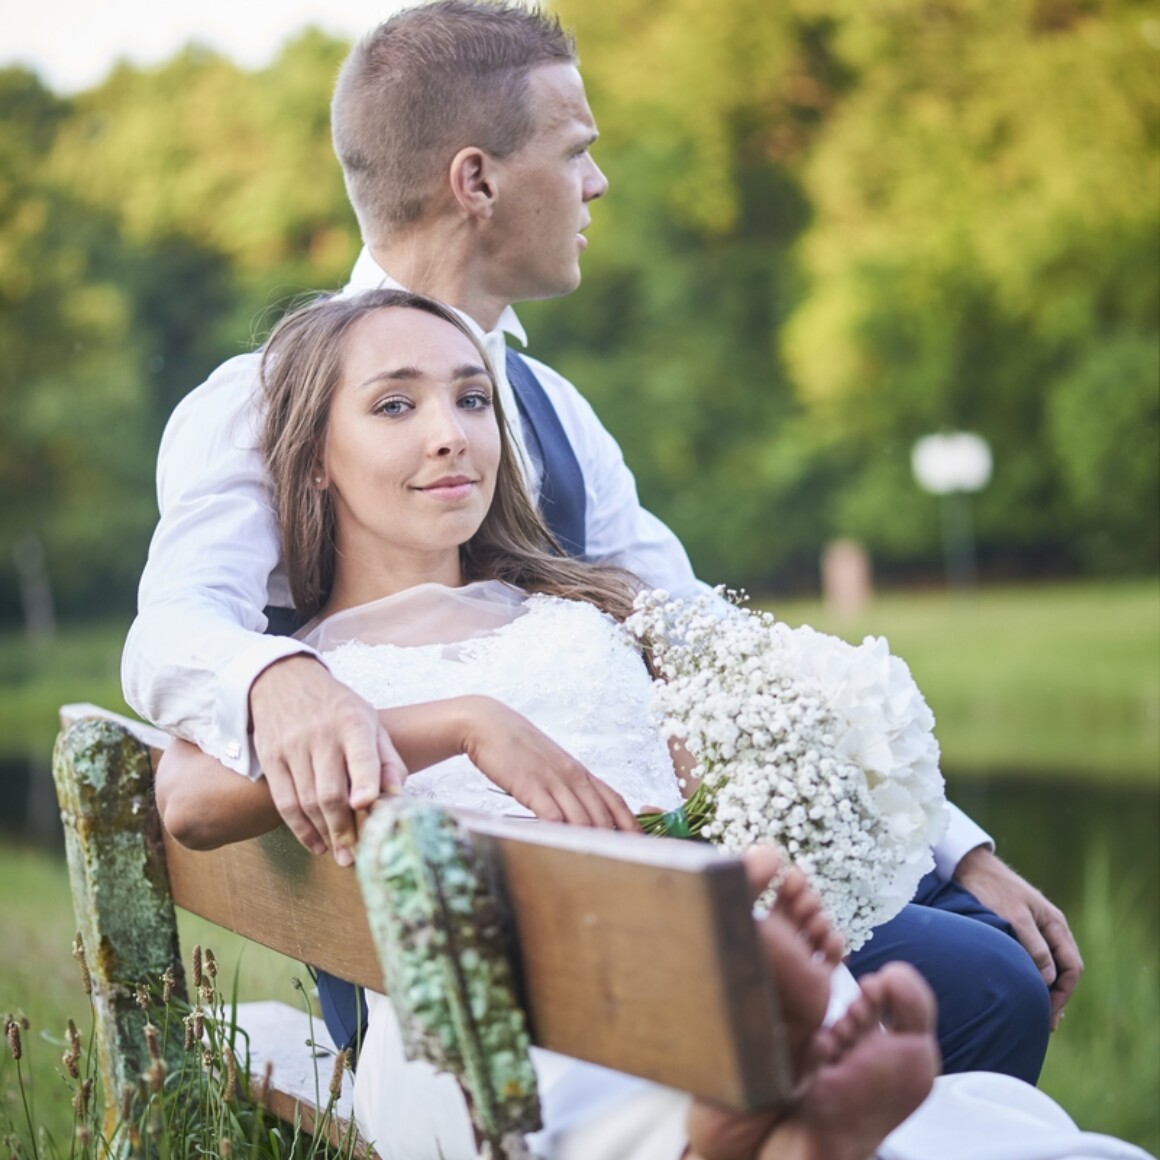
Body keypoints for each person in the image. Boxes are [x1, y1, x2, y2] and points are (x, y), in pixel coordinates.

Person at [122, 0, 1079, 1083]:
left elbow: (703, 641)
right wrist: (282, 679)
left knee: (973, 934)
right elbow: (174, 627)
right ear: (474, 182)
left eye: (466, 402)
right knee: (977, 981)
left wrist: (955, 840)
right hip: (460, 942)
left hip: (650, 875)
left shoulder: (551, 408)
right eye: (576, 150)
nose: (597, 182)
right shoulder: (252, 399)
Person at [155, 290, 1148, 1160]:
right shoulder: (305, 674)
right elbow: (188, 800)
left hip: (684, 949)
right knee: (663, 1032)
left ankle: (762, 1117)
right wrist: (464, 723)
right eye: (394, 405)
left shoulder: (584, 604)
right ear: (315, 461)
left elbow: (725, 734)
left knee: (749, 968)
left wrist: (776, 821)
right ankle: (750, 1119)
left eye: (469, 397)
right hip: (486, 1013)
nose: (449, 431)